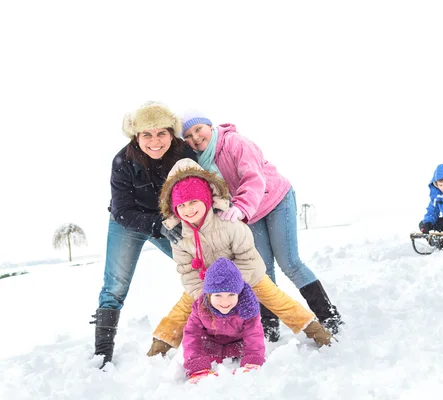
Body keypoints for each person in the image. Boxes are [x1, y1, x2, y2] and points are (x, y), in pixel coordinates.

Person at [179, 110, 343, 339]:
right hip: (248, 213)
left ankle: (328, 315)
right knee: (260, 269)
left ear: (210, 126)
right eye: (188, 135)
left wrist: (242, 207)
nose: (195, 137)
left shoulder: (235, 142)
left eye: (198, 129)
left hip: (275, 200)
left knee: (290, 263)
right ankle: (268, 324)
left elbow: (253, 177)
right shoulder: (200, 162)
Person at [154, 158, 332, 351]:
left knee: (278, 300)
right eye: (181, 205)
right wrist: (205, 294)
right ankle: (159, 346)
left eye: (193, 202)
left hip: (248, 276)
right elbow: (187, 271)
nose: (188, 210)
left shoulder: (229, 223)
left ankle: (316, 331)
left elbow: (247, 257)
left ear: (206, 198)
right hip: (207, 285)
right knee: (182, 308)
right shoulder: (179, 237)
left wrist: (234, 286)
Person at [90, 101, 197, 368]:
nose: (155, 141)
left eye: (161, 133)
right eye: (147, 134)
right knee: (115, 286)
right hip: (127, 223)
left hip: (168, 221)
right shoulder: (123, 161)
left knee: (200, 267)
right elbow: (122, 209)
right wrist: (157, 225)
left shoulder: (184, 154)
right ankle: (102, 353)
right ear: (136, 136)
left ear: (172, 134)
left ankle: (214, 329)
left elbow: (196, 192)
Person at [183, 258, 265, 383]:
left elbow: (254, 335)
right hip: (210, 346)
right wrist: (196, 363)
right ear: (209, 295)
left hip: (238, 347)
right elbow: (192, 335)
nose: (225, 302)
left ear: (239, 293)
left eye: (231, 294)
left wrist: (252, 361)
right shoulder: (201, 307)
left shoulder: (248, 308)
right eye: (218, 295)